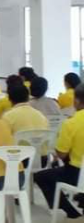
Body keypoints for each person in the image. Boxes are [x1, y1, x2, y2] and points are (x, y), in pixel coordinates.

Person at [35, 83, 84, 219]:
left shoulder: (71, 123)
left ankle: (71, 211)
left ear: (77, 101)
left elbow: (61, 154)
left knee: (41, 176)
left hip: (78, 174)